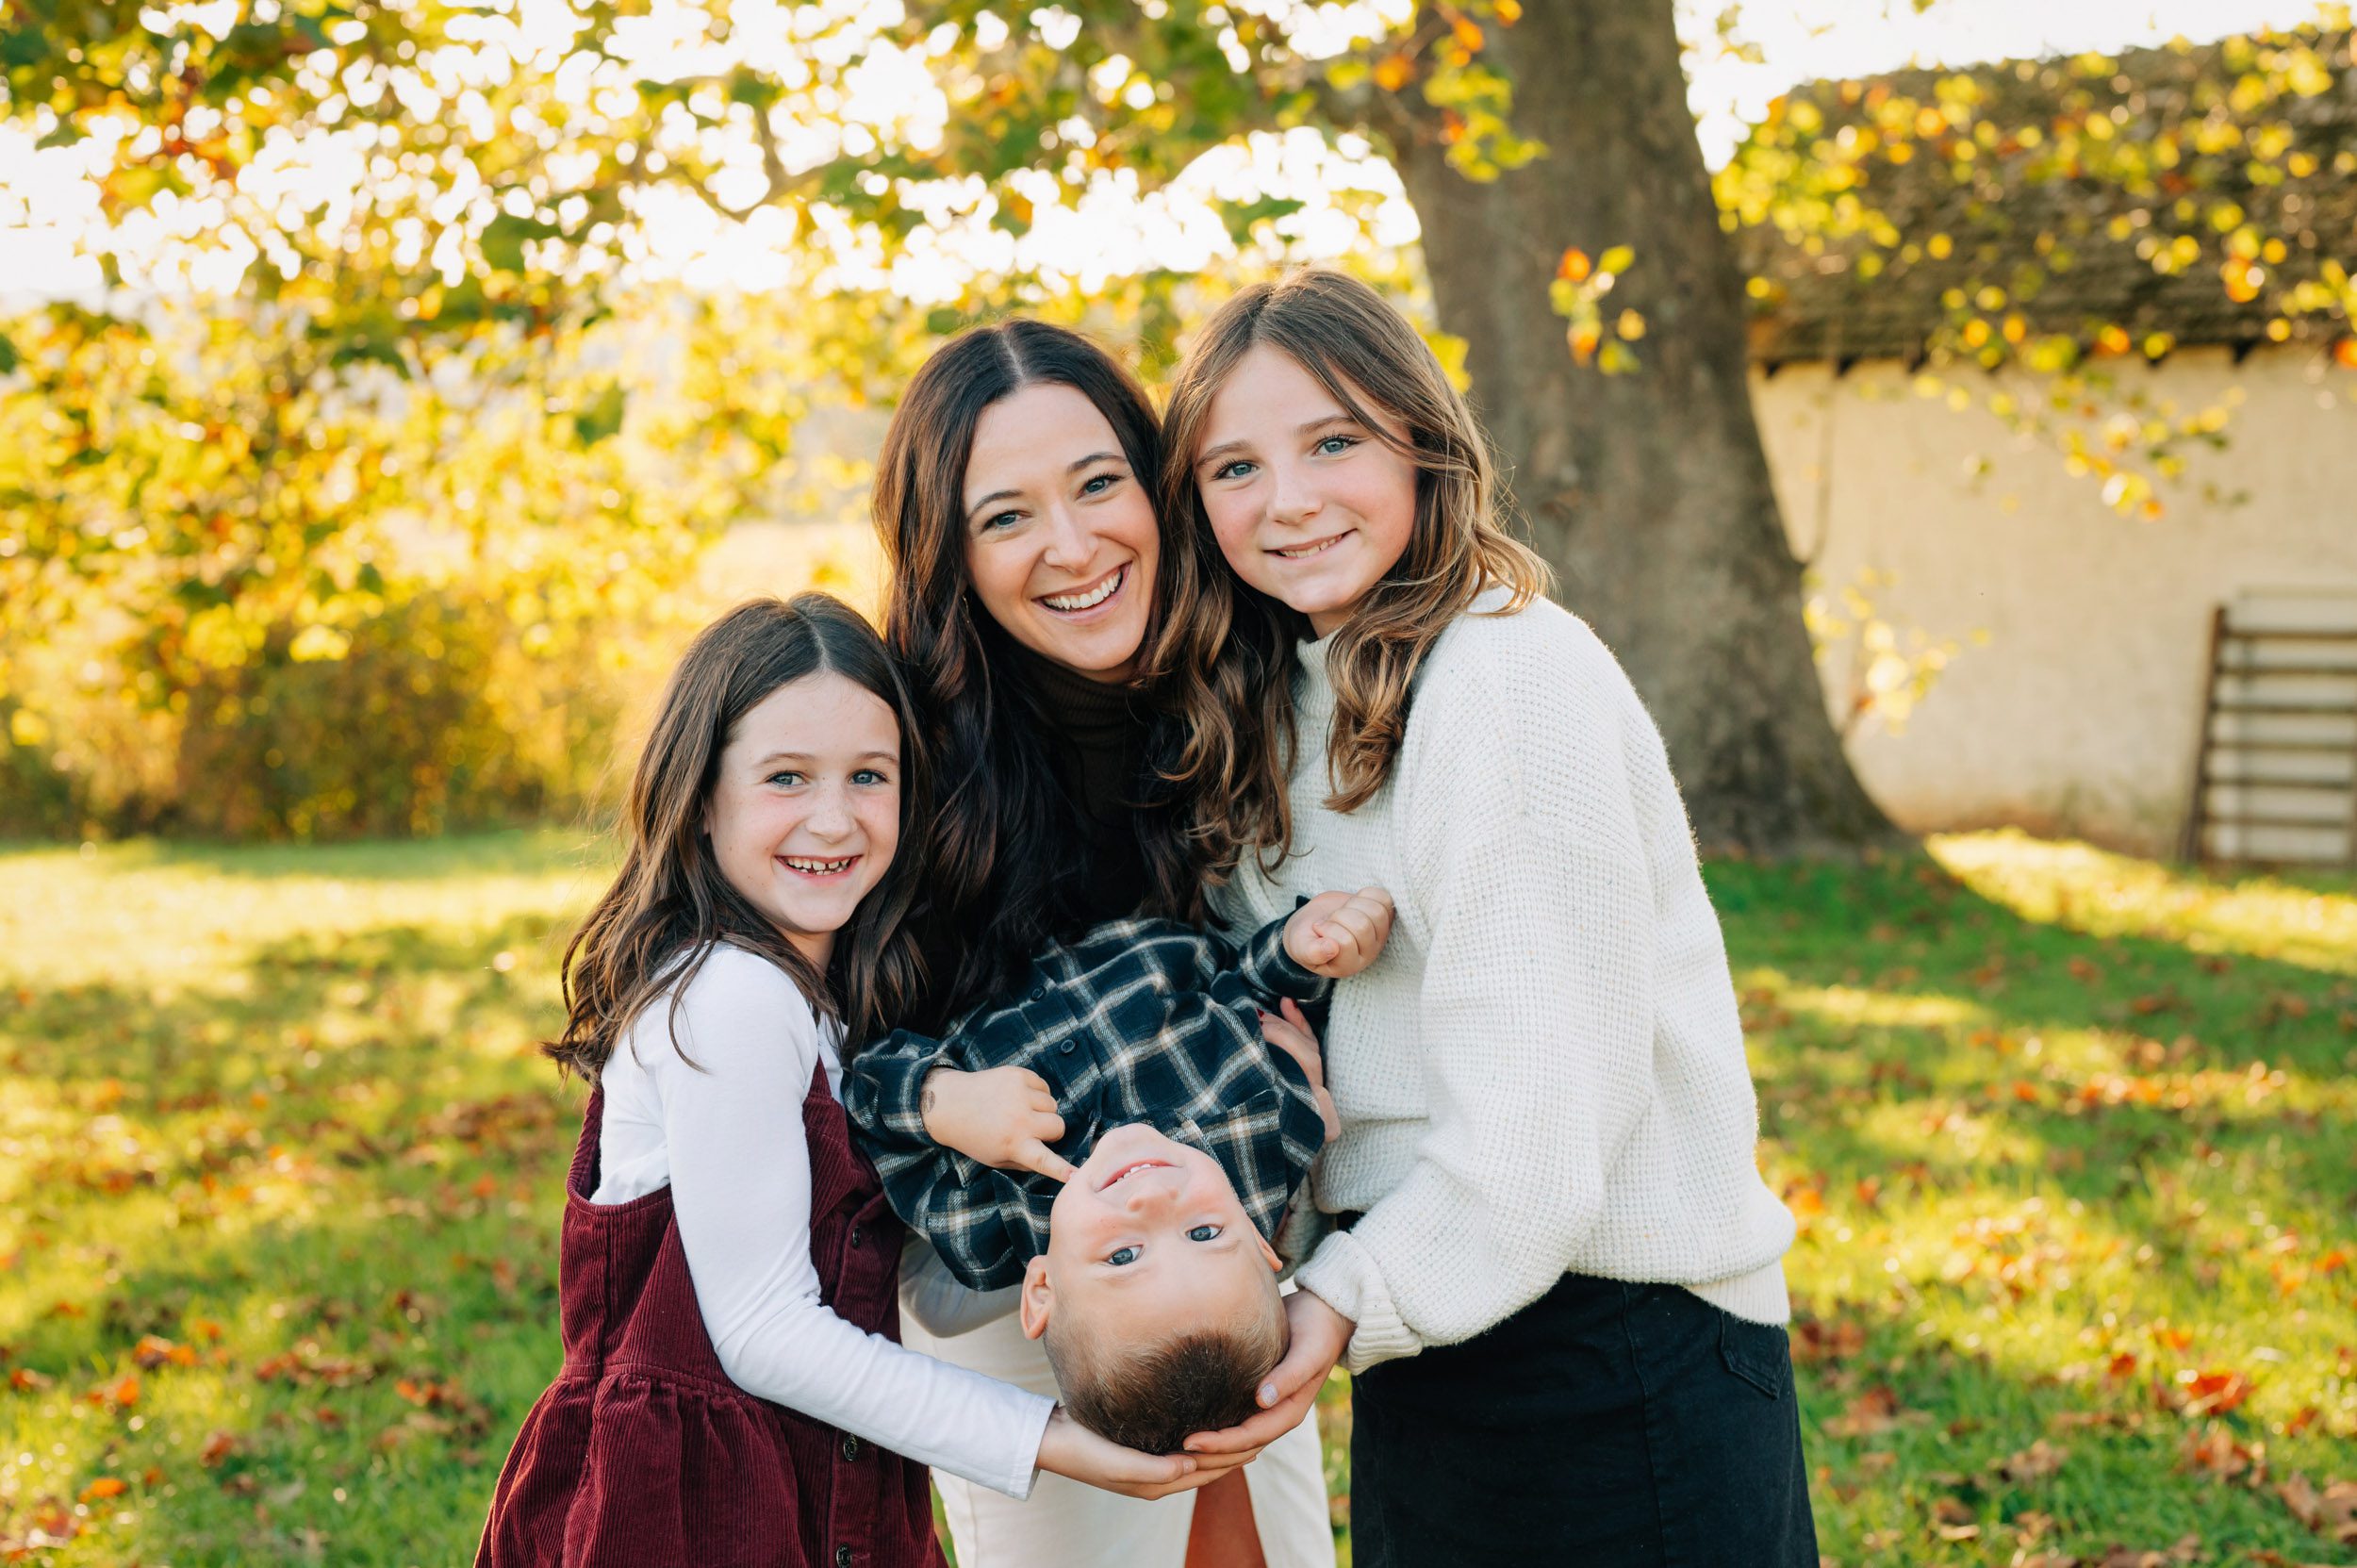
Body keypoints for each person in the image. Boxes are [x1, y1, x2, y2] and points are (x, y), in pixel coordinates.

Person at [1157, 270, 1821, 1566]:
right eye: (1234, 467)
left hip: (1617, 1338)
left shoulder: (1507, 675)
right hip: (1441, 1321)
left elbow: (1540, 1121)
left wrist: (1332, 1300)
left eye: (1333, 440)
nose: (1287, 499)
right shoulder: (1291, 696)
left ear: (1421, 440)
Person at [475, 594, 1240, 1568]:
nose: (832, 820)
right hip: (691, 1510)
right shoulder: (730, 996)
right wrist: (1051, 1441)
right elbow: (762, 1331)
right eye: (786, 777)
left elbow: (875, 1277)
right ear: (702, 795)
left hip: (816, 1484)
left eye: (868, 777)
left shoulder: (817, 998)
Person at [873, 320, 1337, 1568]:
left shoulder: (1251, 674)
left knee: (1262, 1546)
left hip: (1216, 1229)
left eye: (1097, 483)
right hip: (1012, 1270)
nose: (1074, 547)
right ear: (951, 554)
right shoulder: (911, 754)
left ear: (1154, 481)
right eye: (1007, 515)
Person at [842, 890, 1392, 1453]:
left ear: (1043, 1290)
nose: (1153, 1201)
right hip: (1103, 882)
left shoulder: (979, 1224)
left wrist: (941, 1100)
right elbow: (1244, 987)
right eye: (1204, 1233)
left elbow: (860, 1096)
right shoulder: (1268, 1128)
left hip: (947, 936)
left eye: (1123, 1256)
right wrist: (1301, 953)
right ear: (1261, 1243)